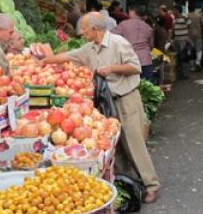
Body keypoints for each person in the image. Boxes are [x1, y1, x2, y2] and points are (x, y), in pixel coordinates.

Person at [43, 12, 161, 203]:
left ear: (94, 29)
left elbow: (135, 66)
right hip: (108, 100)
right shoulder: (90, 48)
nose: (82, 33)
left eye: (84, 30)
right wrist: (44, 60)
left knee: (134, 142)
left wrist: (112, 68)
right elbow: (68, 55)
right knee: (118, 145)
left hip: (127, 97)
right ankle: (128, 180)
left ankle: (151, 185)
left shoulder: (118, 42)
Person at [112, 7, 155, 82]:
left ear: (132, 12)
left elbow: (111, 36)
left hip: (130, 61)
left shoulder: (124, 24)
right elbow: (151, 46)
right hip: (146, 61)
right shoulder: (148, 27)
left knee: (132, 87)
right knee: (147, 88)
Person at [172, 7, 191, 80]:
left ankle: (185, 74)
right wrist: (171, 38)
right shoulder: (174, 19)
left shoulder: (185, 17)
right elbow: (173, 29)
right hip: (176, 39)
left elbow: (190, 27)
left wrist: (188, 37)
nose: (173, 12)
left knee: (184, 57)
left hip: (183, 39)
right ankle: (180, 73)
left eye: (174, 10)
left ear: (177, 10)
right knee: (178, 57)